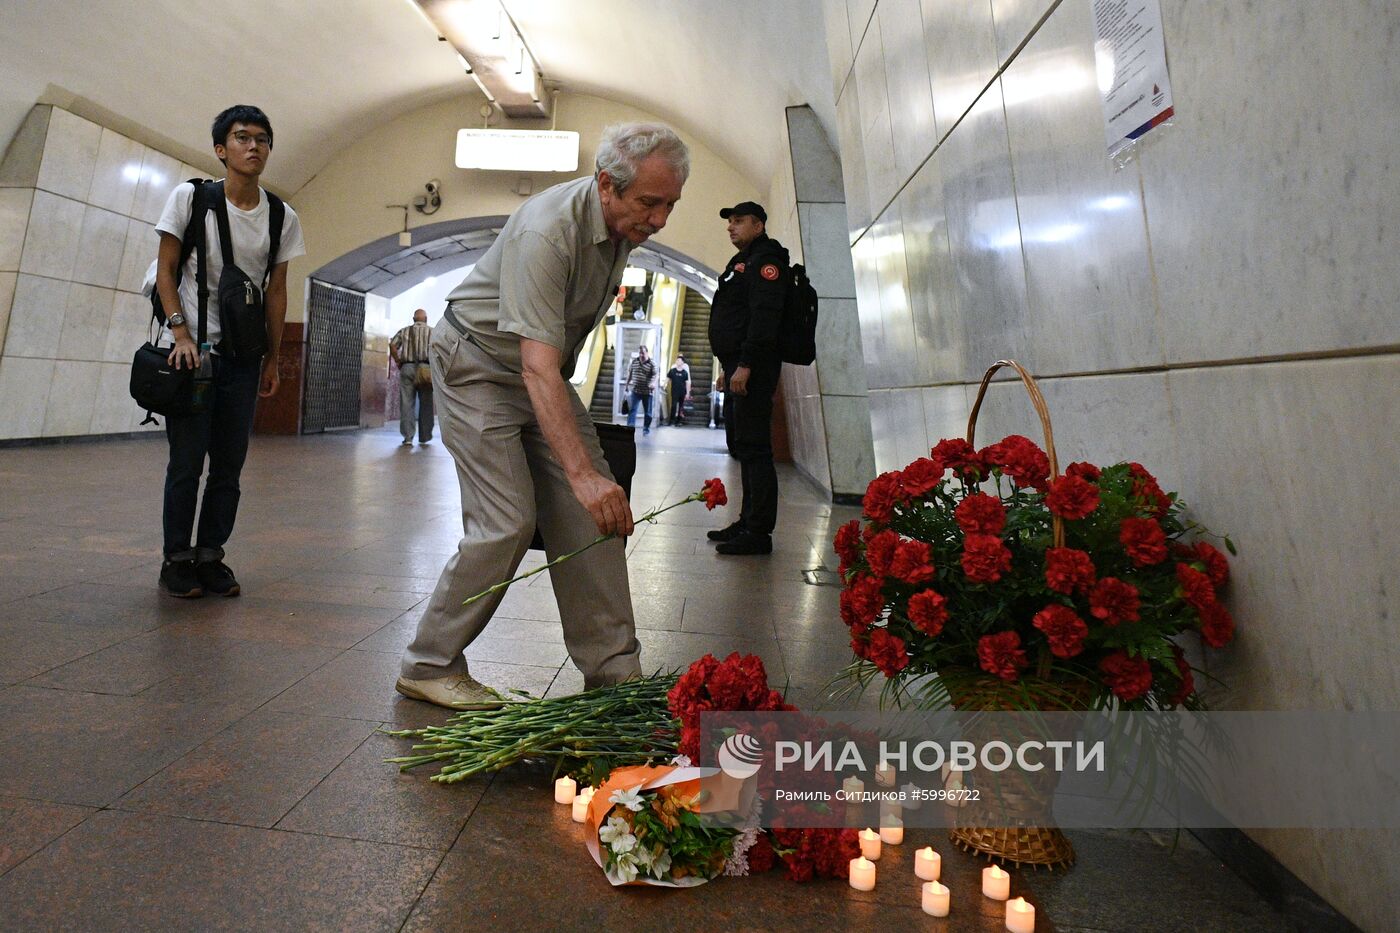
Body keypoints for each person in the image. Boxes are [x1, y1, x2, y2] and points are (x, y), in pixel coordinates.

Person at [396, 123, 689, 710]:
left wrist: (589, 484)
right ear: (607, 185)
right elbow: (536, 368)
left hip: (535, 375)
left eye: (670, 205)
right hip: (478, 366)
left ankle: (613, 675)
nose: (659, 220)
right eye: (649, 204)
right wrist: (579, 472)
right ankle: (427, 663)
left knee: (597, 515)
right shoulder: (548, 231)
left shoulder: (617, 225)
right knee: (507, 518)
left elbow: (543, 369)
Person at [154, 104, 306, 598]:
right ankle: (176, 558)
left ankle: (211, 555)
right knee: (186, 462)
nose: (253, 146)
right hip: (193, 354)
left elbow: (278, 290)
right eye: (242, 138)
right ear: (222, 150)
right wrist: (180, 333)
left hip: (242, 358)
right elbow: (167, 269)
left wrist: (272, 358)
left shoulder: (281, 215)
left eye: (262, 139)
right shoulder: (191, 199)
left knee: (229, 465)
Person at [706, 201, 788, 556]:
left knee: (756, 448)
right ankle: (747, 520)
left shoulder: (767, 262)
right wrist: (730, 365)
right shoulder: (745, 261)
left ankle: (758, 531)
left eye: (739, 221)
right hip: (739, 366)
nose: (731, 227)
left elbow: (763, 317)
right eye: (730, 222)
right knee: (743, 446)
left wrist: (746, 365)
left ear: (758, 224)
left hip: (754, 369)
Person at [390, 308, 434, 445]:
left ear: (414, 320)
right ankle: (424, 437)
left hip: (407, 368)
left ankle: (408, 438)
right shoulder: (432, 332)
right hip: (426, 370)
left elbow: (392, 345)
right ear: (426, 319)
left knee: (407, 403)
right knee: (426, 403)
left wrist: (397, 360)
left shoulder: (404, 331)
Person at [623, 343, 658, 434]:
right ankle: (630, 428)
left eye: (643, 353)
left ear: (647, 353)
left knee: (648, 413)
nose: (641, 355)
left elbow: (655, 375)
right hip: (636, 391)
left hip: (647, 392)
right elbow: (630, 374)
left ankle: (646, 428)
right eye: (640, 353)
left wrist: (653, 383)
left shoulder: (652, 363)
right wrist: (626, 385)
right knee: (632, 409)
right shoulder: (635, 362)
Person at [665, 353, 690, 425]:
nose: (677, 361)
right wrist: (664, 386)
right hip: (674, 391)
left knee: (680, 407)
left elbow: (687, 383)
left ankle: (678, 421)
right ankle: (672, 420)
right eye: (677, 360)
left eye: (679, 360)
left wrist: (688, 393)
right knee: (674, 405)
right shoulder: (672, 371)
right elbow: (667, 378)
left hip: (682, 392)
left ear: (682, 362)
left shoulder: (685, 373)